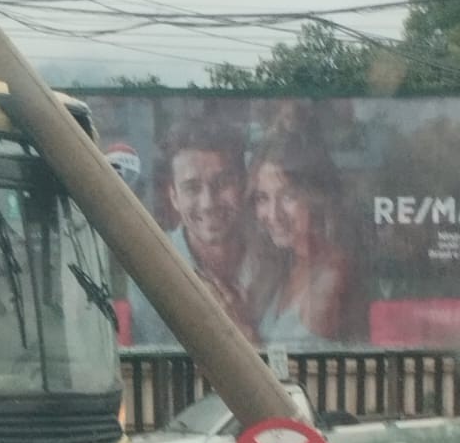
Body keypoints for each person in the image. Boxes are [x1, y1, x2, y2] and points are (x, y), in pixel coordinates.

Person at [128, 117, 257, 345]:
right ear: (174, 197)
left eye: (222, 182)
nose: (208, 203)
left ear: (244, 185)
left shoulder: (276, 260)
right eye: (192, 188)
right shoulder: (152, 269)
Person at [247, 132, 353, 344]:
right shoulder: (286, 265)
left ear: (316, 198)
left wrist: (241, 331)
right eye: (263, 198)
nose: (273, 214)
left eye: (288, 196)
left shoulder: (332, 275)